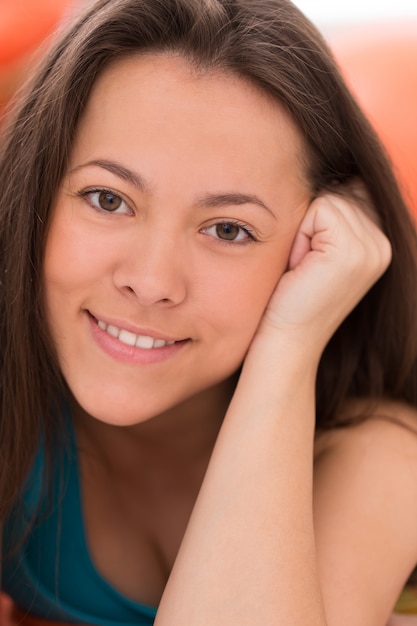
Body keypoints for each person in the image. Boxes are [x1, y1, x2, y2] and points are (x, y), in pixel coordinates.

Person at [1, 0, 417, 625]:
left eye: (228, 229)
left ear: (315, 245)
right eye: (107, 198)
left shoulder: (379, 456)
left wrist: (290, 344)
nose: (151, 281)